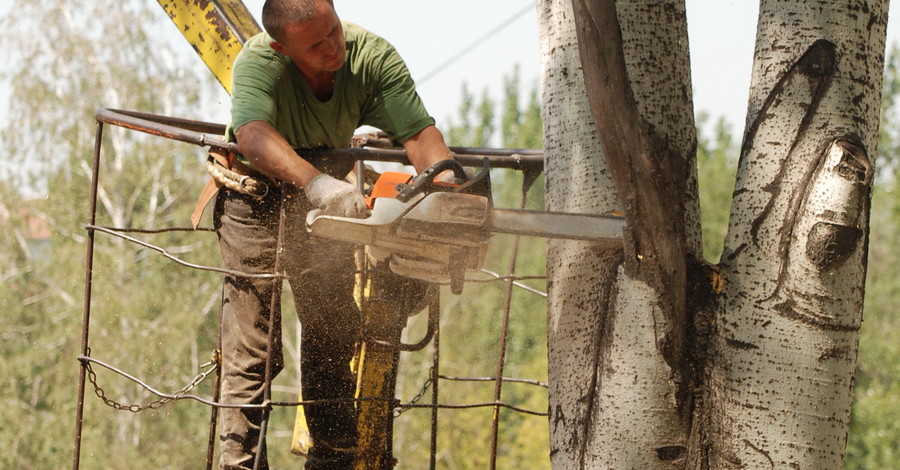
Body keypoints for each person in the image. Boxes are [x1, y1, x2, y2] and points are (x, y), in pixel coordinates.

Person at [214, 0, 455, 468]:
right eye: (316, 44)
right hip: (254, 197)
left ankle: (334, 460)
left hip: (329, 204)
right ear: (283, 49)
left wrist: (450, 191)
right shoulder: (259, 62)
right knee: (253, 349)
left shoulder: (371, 57)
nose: (333, 48)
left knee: (334, 331)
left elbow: (420, 135)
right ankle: (240, 463)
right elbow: (252, 134)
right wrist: (316, 183)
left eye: (334, 31)